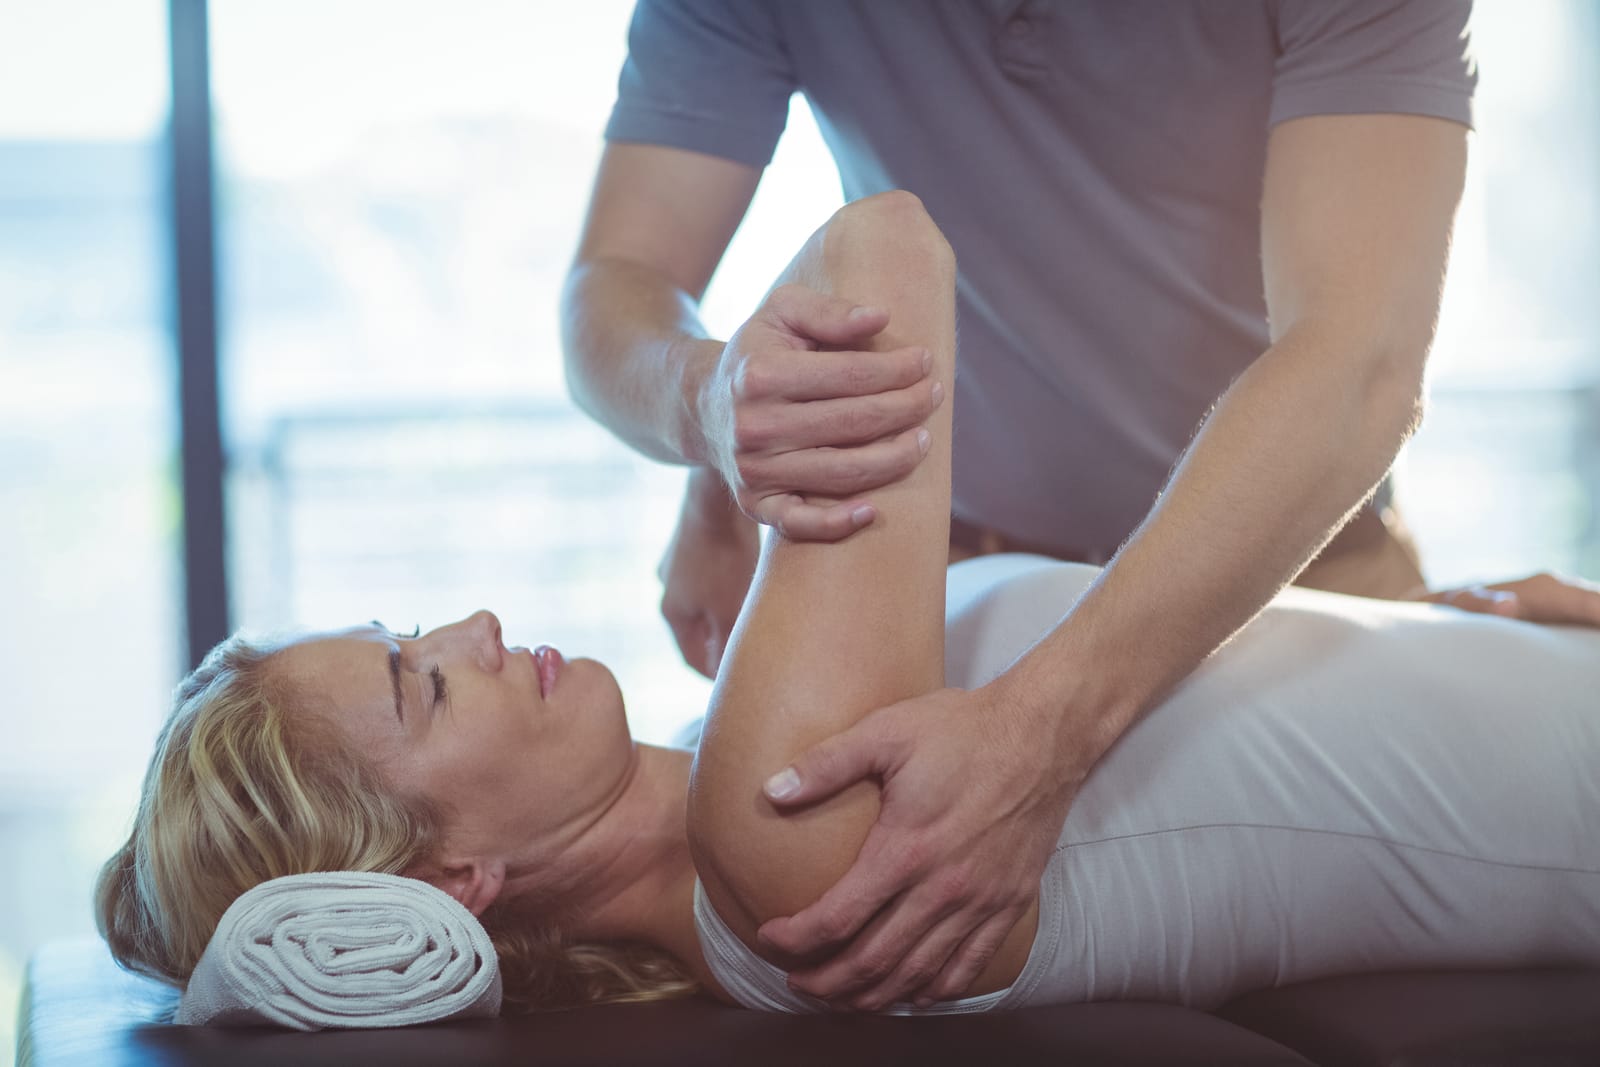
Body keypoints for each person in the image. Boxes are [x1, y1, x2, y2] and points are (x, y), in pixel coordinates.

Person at [102, 195, 1600, 1015]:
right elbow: (892, 246)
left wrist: (1458, 639)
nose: (482, 632)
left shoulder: (744, 741)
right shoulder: (775, 829)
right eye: (425, 682)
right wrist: (717, 436)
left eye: (422, 626)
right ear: (454, 879)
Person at [562, 0, 1600, 1008]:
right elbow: (617, 277)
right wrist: (704, 409)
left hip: (1290, 565)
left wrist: (1048, 729)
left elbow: (1361, 361)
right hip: (974, 589)